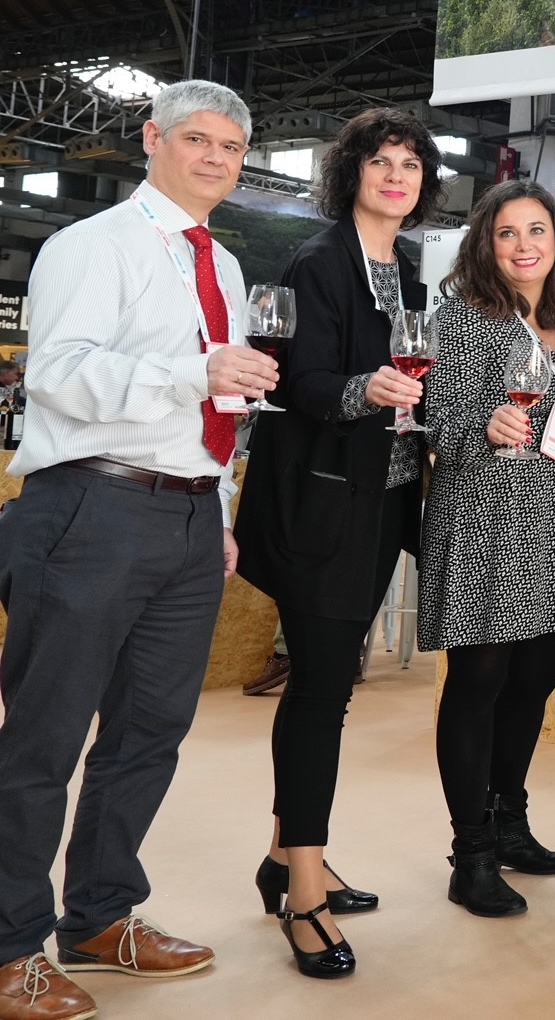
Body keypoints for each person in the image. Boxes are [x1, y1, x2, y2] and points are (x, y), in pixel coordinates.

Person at [0, 80, 276, 1020]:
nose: (214, 159)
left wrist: (222, 503)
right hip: (91, 507)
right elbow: (63, 375)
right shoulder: (90, 247)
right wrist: (190, 371)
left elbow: (225, 402)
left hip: (190, 518)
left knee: (149, 734)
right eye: (197, 139)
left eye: (232, 148)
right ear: (152, 139)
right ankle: (7, 949)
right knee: (43, 739)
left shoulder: (227, 268)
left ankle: (101, 918)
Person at [233, 109, 441, 978]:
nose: (396, 176)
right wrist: (369, 388)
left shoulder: (410, 273)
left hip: (381, 505)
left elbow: (410, 385)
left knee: (330, 686)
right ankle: (305, 893)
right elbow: (298, 379)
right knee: (322, 690)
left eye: (410, 165)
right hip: (320, 505)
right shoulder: (319, 263)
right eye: (380, 162)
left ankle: (286, 859)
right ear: (350, 172)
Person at [421, 181, 555, 919]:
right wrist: (481, 427)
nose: (524, 246)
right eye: (507, 233)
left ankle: (509, 820)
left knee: (538, 671)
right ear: (485, 244)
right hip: (486, 514)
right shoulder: (463, 317)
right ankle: (472, 855)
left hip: (552, 519)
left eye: (537, 231)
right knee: (480, 680)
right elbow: (439, 421)